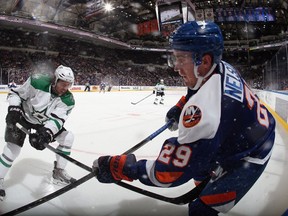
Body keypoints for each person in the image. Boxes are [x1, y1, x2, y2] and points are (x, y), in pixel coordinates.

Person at [92, 21, 276, 215]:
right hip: (248, 132)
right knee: (200, 172)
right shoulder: (218, 66)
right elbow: (197, 89)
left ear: (203, 61)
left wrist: (123, 168)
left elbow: (168, 173)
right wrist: (180, 107)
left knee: (201, 209)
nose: (175, 67)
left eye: (180, 58)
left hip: (251, 155)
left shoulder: (206, 112)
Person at [0, 65, 77, 201]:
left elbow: (57, 120)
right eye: (63, 84)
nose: (65, 88)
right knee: (13, 149)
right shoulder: (37, 82)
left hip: (43, 124)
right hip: (23, 117)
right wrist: (13, 109)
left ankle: (58, 172)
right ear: (55, 80)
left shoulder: (68, 100)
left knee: (68, 137)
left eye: (68, 85)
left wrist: (46, 134)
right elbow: (16, 94)